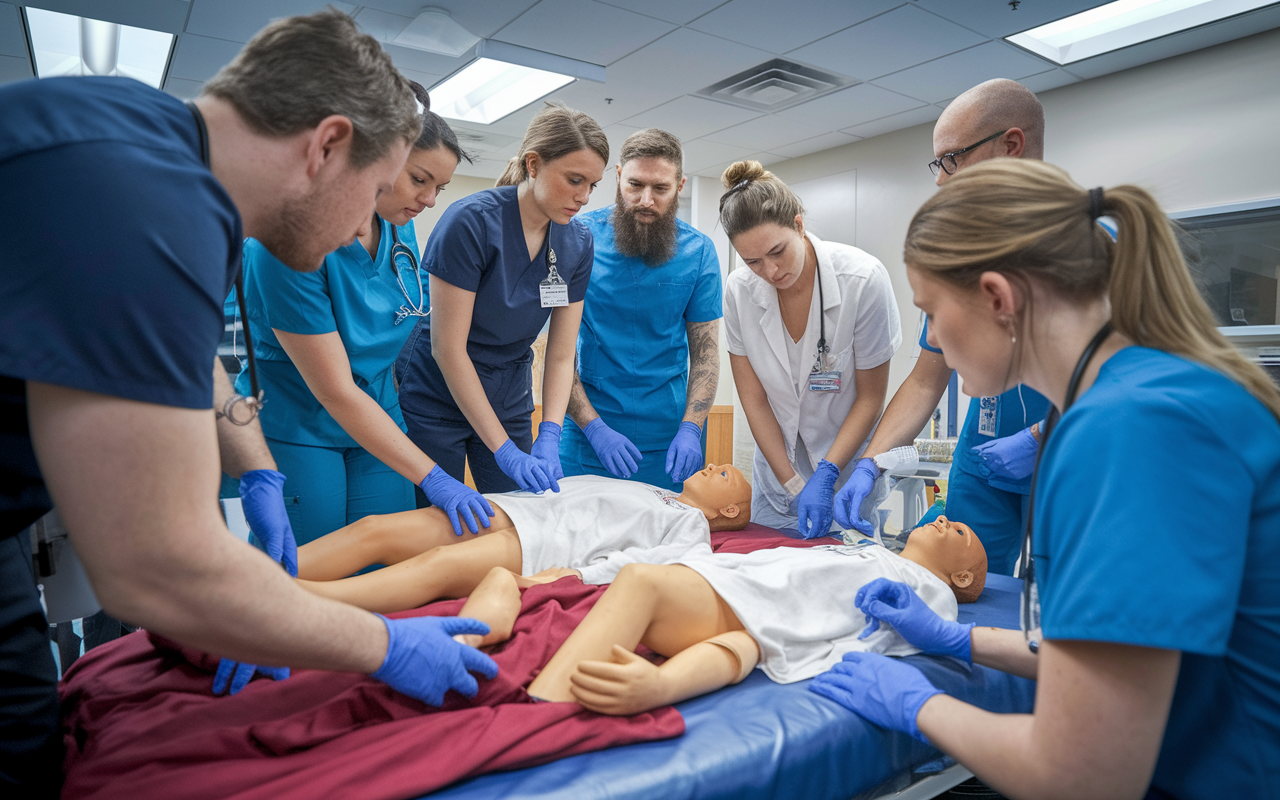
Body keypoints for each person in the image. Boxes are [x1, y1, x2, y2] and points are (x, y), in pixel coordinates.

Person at [0, 11, 497, 794]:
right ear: (327, 144)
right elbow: (153, 570)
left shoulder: (152, 150)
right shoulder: (142, 198)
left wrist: (256, 470)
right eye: (372, 191)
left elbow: (184, 356)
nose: (360, 227)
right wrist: (383, 646)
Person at [809, 159, 1280, 800]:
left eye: (932, 313)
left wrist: (916, 705)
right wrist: (959, 639)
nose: (936, 342)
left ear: (999, 299)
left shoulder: (1131, 430)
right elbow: (1116, 654)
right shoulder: (1131, 401)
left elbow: (1085, 778)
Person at [236, 82, 490, 544]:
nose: (429, 200)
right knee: (314, 566)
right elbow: (334, 389)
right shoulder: (284, 242)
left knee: (385, 554)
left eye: (440, 187)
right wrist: (435, 477)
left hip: (379, 416)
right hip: (302, 421)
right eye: (419, 179)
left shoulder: (397, 228)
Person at [833, 78, 1051, 575]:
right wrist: (871, 462)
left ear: (1011, 145)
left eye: (951, 159)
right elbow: (928, 376)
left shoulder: (1085, 245)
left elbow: (1123, 371)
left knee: (1059, 595)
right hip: (988, 442)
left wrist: (1044, 435)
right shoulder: (962, 252)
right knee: (964, 578)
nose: (940, 180)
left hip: (1075, 446)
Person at [512, 513, 985, 714]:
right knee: (637, 580)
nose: (943, 519)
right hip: (740, 586)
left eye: (959, 532)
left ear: (960, 579)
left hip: (749, 604)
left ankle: (533, 719)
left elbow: (773, 643)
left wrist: (665, 687)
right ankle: (536, 704)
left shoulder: (930, 592)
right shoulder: (875, 554)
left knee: (639, 581)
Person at [395, 103, 608, 497]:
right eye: (575, 180)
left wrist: (550, 431)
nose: (585, 198)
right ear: (533, 164)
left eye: (592, 185)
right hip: (437, 393)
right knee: (437, 522)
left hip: (508, 395)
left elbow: (561, 355)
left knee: (518, 516)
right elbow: (448, 349)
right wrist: (504, 450)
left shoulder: (578, 242)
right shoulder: (470, 223)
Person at [719, 160, 902, 538]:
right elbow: (754, 401)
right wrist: (791, 483)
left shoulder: (862, 280)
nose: (770, 271)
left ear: (799, 225)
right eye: (752, 261)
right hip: (776, 476)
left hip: (846, 475)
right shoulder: (739, 292)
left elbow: (871, 398)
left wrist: (828, 472)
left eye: (777, 251)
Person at [292, 465, 751, 613]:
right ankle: (261, 573)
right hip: (518, 507)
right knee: (376, 529)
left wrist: (575, 574)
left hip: (545, 543)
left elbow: (649, 567)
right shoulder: (659, 490)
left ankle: (291, 603)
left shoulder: (693, 530)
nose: (714, 465)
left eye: (725, 473)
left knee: (435, 565)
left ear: (728, 510)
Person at [561, 129, 722, 491]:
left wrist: (691, 427)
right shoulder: (575, 238)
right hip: (588, 431)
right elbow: (552, 351)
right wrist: (594, 428)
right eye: (634, 185)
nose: (645, 200)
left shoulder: (699, 253)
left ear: (680, 186)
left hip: (672, 439)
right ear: (618, 177)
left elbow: (707, 356)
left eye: (660, 189)